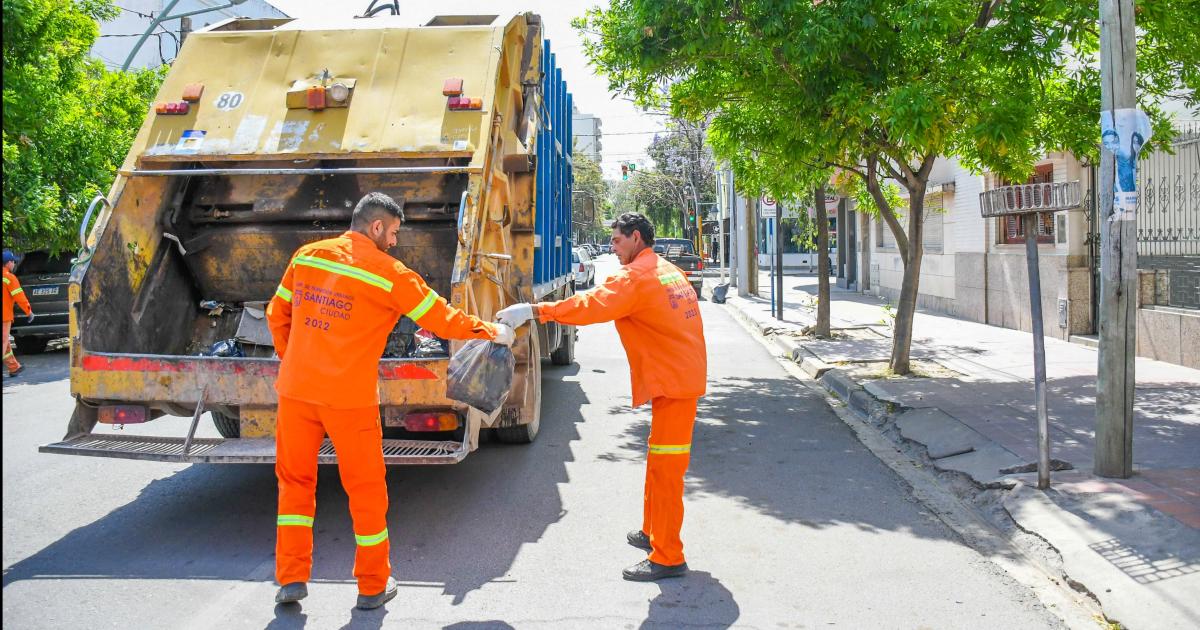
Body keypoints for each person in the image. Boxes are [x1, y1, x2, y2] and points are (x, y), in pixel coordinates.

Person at [265, 192, 515, 609]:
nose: (396, 242)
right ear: (376, 227)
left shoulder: (307, 257)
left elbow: (277, 314)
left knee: (294, 484)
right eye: (394, 232)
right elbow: (441, 319)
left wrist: (295, 360)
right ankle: (372, 585)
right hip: (349, 398)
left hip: (296, 392)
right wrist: (490, 331)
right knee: (365, 490)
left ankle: (291, 579)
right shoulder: (389, 273)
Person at [496, 212, 707, 582]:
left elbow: (589, 305)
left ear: (636, 238)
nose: (612, 247)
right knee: (659, 461)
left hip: (675, 383)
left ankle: (669, 556)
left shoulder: (636, 277)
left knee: (667, 471)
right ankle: (652, 531)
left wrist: (534, 310)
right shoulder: (664, 268)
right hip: (677, 377)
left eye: (617, 241)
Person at [3, 249, 34, 377]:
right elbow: (19, 297)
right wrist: (29, 311)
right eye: (13, 261)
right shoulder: (9, 278)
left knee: (5, 342)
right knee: (3, 341)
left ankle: (14, 367)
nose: (14, 264)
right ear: (7, 263)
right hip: (4, 316)